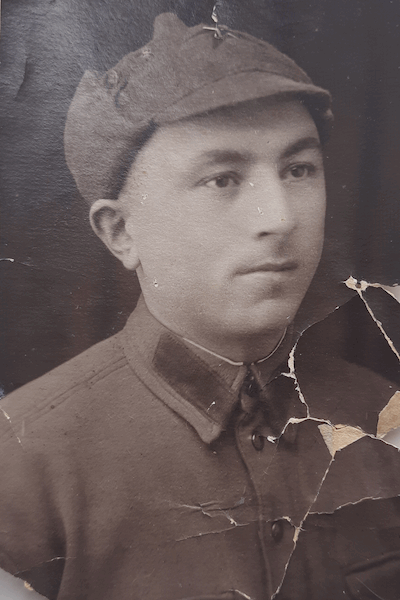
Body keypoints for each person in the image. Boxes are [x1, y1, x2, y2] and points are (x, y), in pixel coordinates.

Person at [1, 12, 400, 600]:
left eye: (298, 169)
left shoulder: (385, 419)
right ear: (120, 231)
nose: (280, 218)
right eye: (222, 179)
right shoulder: (21, 458)